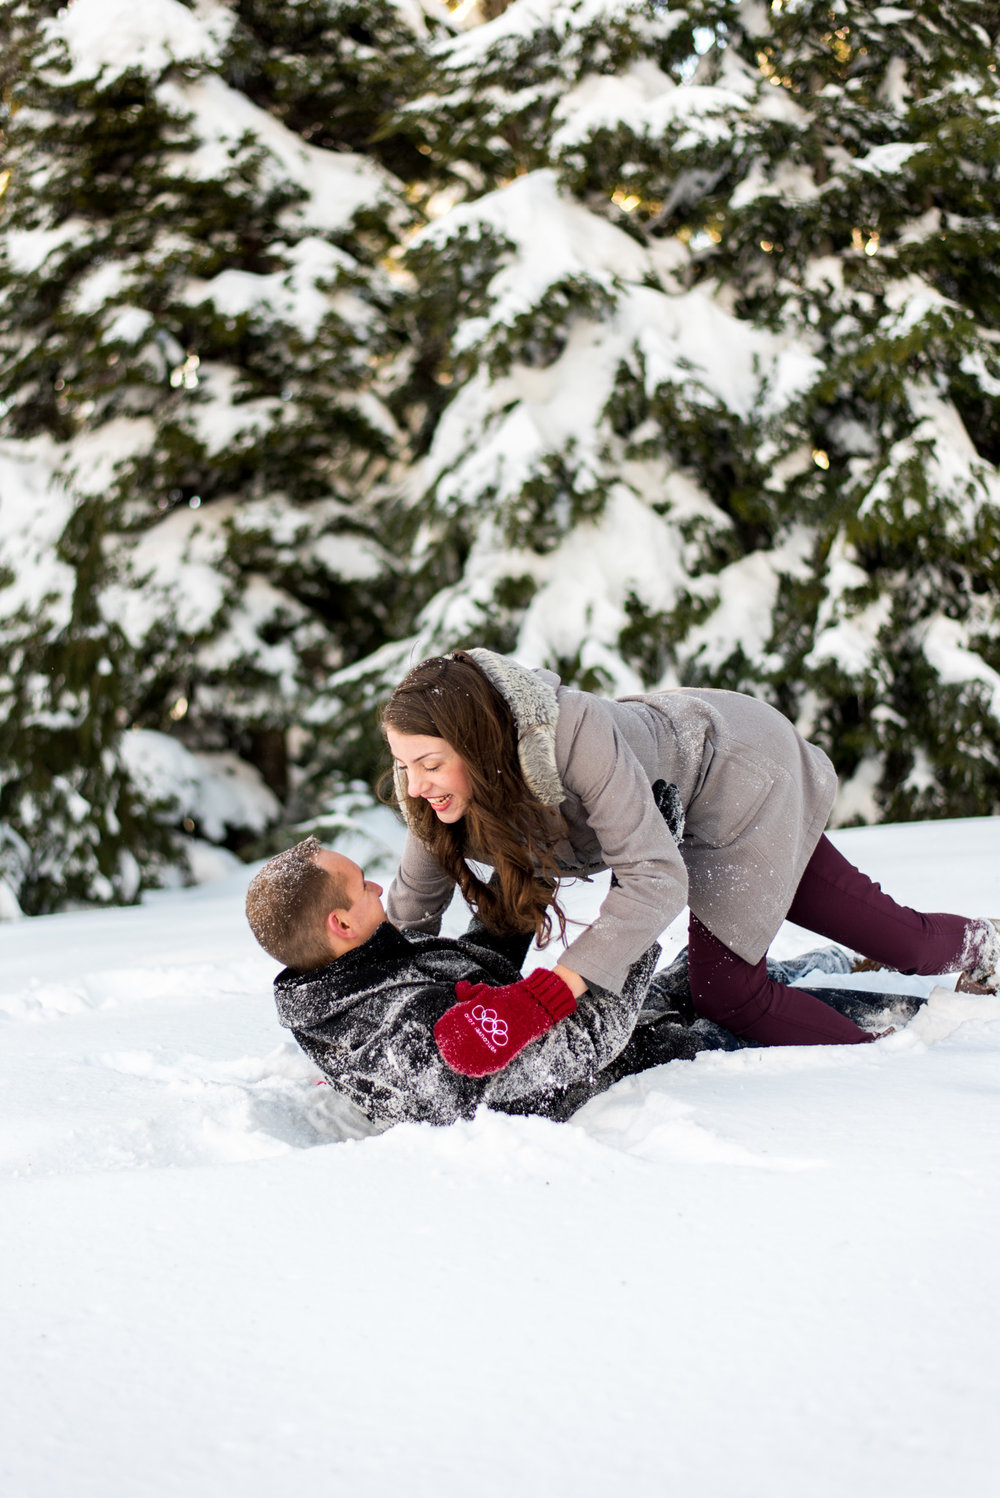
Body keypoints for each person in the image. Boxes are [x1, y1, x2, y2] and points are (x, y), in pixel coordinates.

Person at [381, 648, 999, 1074]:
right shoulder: (435, 787)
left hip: (737, 775)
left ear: (481, 744)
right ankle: (973, 950)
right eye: (404, 766)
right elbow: (411, 904)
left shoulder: (574, 735)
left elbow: (654, 879)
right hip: (676, 792)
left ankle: (882, 1058)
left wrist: (544, 997)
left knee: (730, 995)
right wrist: (379, 1014)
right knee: (898, 940)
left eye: (430, 765)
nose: (414, 786)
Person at [244, 837, 905, 1131]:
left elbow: (474, 976)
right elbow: (586, 1041)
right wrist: (637, 908)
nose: (378, 887)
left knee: (711, 978)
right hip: (621, 1068)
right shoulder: (405, 1036)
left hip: (597, 1025)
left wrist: (518, 882)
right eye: (361, 887)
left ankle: (854, 960)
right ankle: (920, 1017)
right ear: (338, 923)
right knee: (738, 1014)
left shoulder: (352, 971)